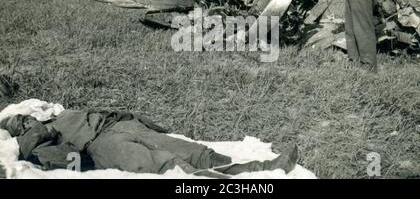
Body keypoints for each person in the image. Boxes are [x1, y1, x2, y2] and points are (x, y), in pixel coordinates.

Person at [0, 110, 298, 177]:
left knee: (191, 150)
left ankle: (264, 167)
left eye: (24, 117)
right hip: (98, 146)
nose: (25, 121)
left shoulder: (63, 113)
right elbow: (67, 162)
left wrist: (150, 125)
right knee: (166, 164)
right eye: (19, 124)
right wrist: (32, 132)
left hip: (119, 125)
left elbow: (116, 111)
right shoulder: (32, 142)